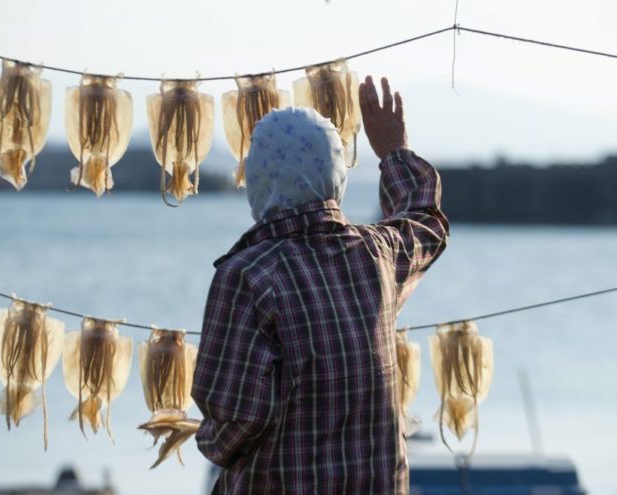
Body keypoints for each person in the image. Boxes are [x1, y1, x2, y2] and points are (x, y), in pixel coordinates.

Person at [192, 76, 449, 494]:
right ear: (335, 176)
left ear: (258, 180)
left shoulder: (247, 277)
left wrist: (207, 439)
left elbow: (236, 417)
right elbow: (425, 223)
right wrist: (394, 152)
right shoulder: (377, 256)